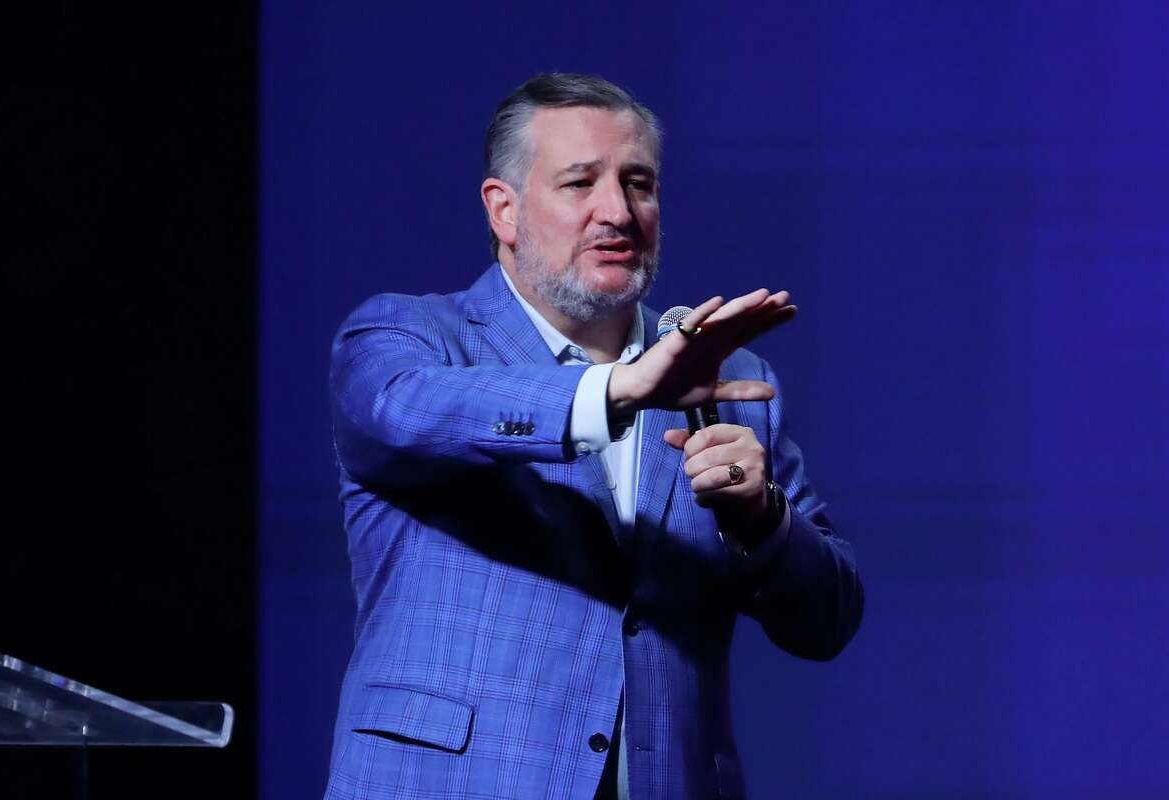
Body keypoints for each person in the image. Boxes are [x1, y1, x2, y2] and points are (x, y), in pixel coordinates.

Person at [324, 73, 863, 800]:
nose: (619, 211)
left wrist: (762, 520)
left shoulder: (731, 379)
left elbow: (826, 621)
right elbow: (402, 412)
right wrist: (621, 388)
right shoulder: (409, 339)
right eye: (581, 183)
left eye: (638, 184)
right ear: (504, 210)